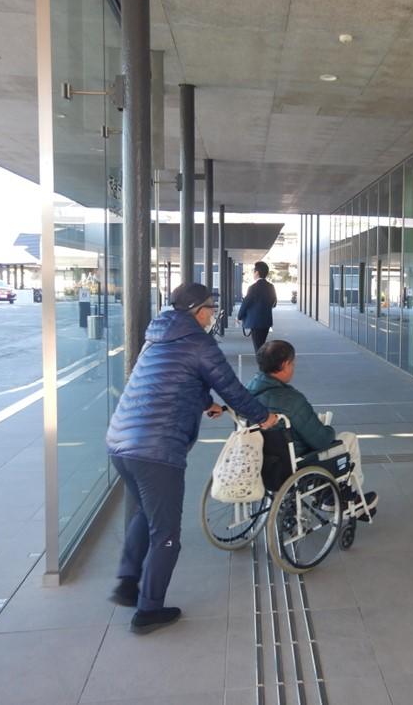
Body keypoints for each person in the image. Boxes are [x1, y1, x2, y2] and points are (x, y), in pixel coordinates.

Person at [106, 283, 279, 635]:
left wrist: (205, 404)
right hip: (157, 451)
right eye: (211, 307)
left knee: (145, 514)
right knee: (166, 534)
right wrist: (264, 417)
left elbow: (166, 380)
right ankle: (148, 611)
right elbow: (232, 388)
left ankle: (127, 583)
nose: (213, 313)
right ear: (197, 310)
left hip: (120, 442)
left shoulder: (156, 336)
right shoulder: (200, 342)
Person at [246, 340, 378, 516]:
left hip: (261, 460)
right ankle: (347, 498)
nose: (293, 368)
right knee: (348, 438)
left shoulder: (248, 392)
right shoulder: (292, 400)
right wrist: (327, 428)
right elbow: (321, 440)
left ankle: (327, 494)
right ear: (284, 365)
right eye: (292, 364)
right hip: (294, 464)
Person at [237, 261, 277, 352]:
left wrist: (239, 316)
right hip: (266, 321)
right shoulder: (271, 287)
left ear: (257, 272)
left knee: (258, 348)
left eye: (253, 272)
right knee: (261, 345)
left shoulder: (253, 287)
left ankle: (262, 361)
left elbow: (245, 304)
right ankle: (263, 360)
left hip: (255, 322)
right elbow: (274, 303)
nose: (253, 274)